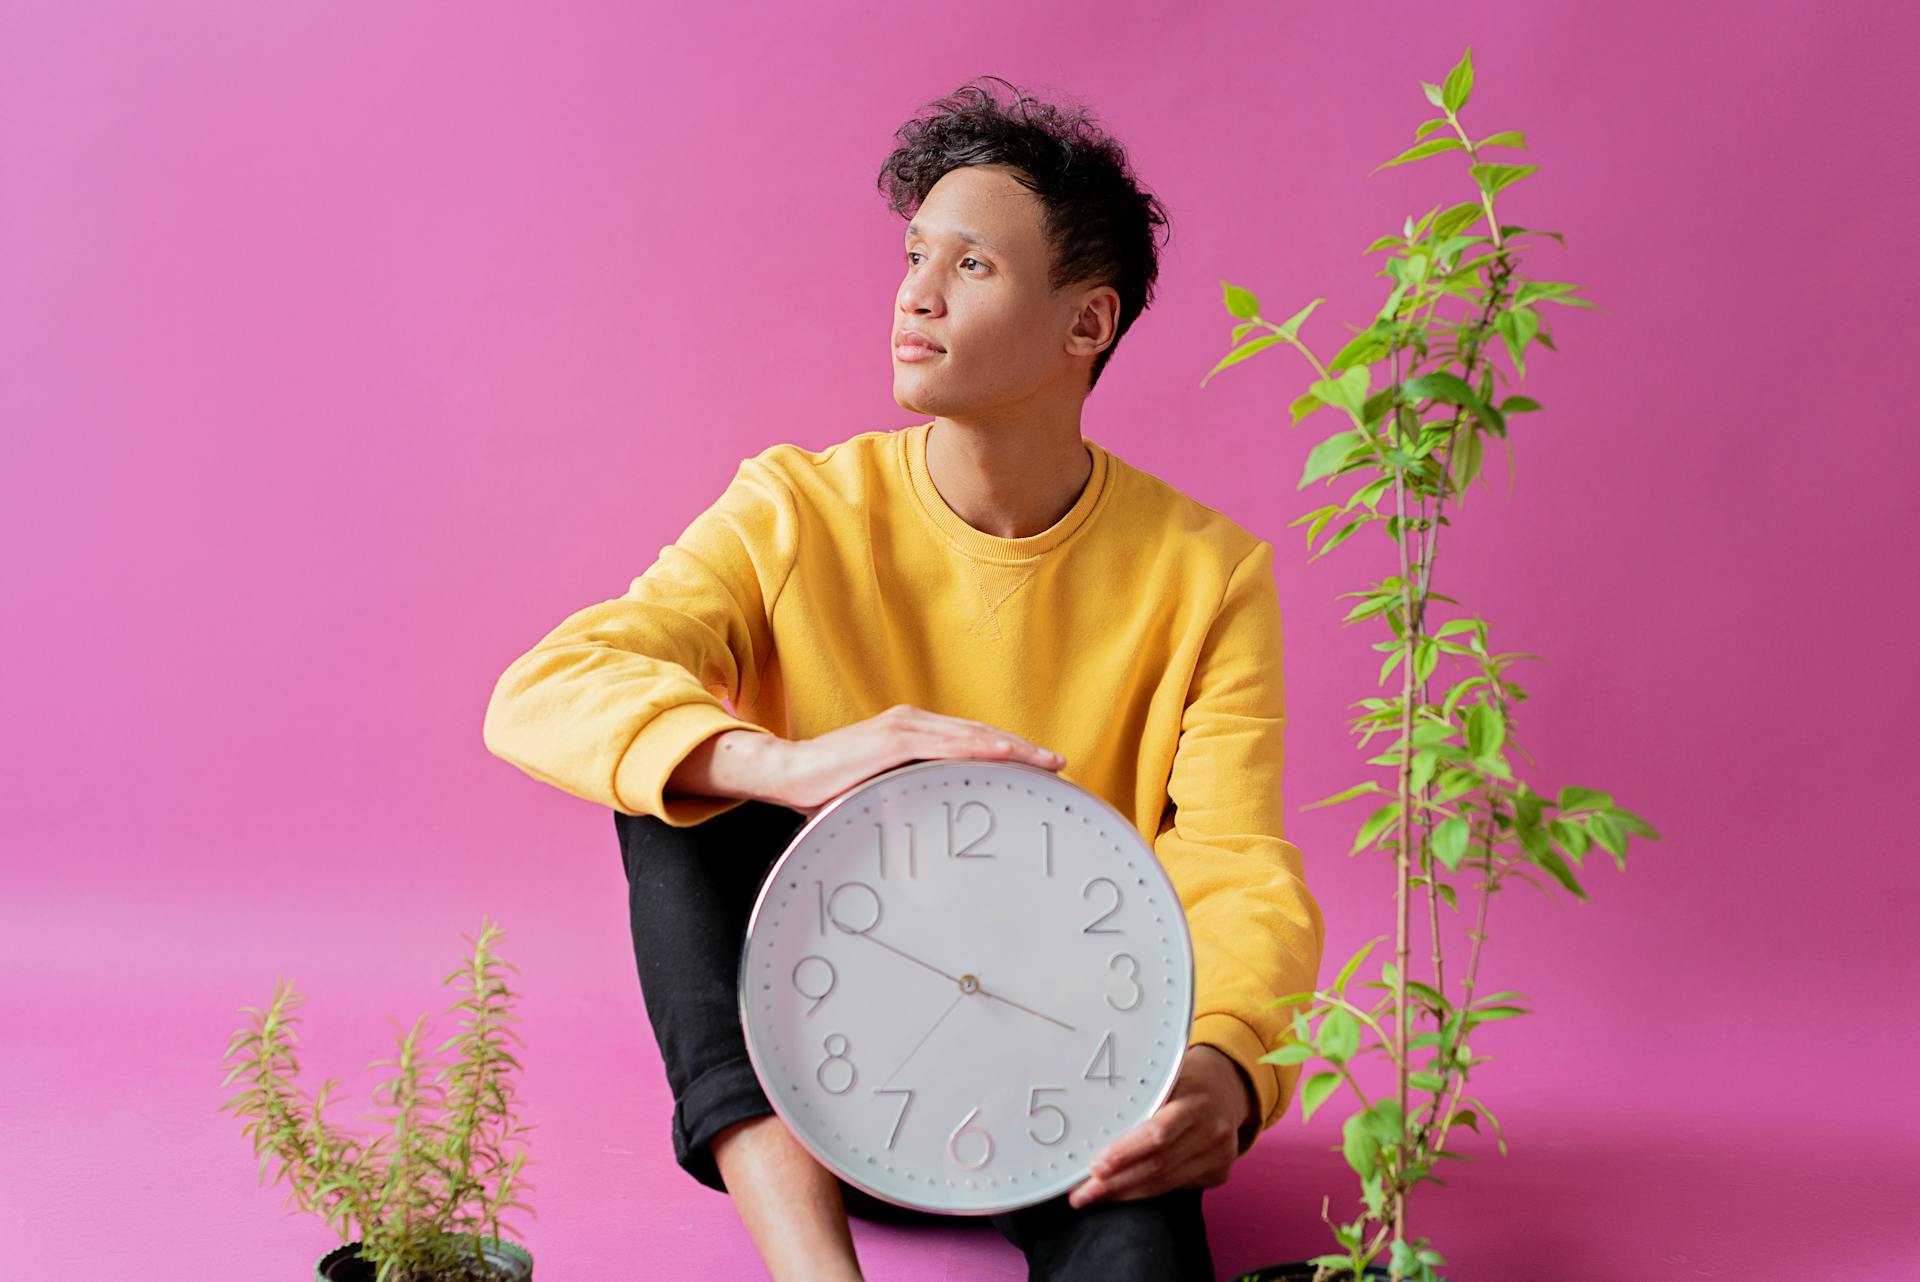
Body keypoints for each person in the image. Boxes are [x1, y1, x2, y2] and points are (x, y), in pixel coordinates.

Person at [483, 75, 1326, 1282]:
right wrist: (791, 759)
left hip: (1065, 1075)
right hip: (808, 1076)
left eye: (971, 266)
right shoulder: (796, 508)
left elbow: (1238, 861)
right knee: (670, 791)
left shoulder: (1209, 575)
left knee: (1142, 1258)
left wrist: (1225, 1069)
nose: (915, 293)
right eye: (915, 253)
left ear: (1085, 324)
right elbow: (552, 681)